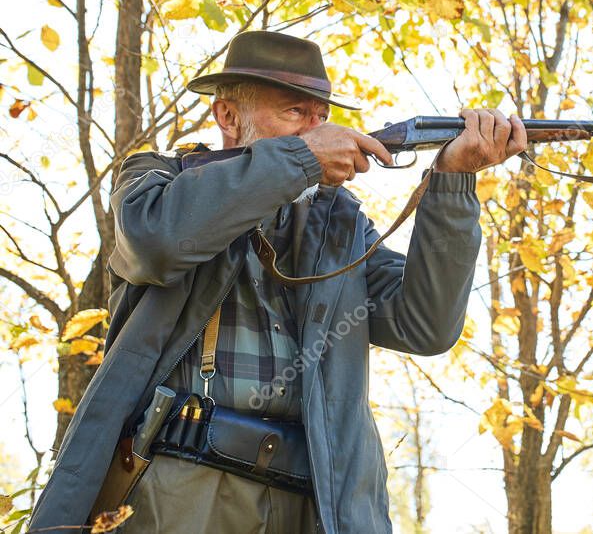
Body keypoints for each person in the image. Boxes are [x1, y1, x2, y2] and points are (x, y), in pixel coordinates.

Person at [29, 30, 526, 533]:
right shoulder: (158, 180)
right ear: (227, 116)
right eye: (294, 112)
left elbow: (426, 325)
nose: (316, 129)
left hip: (313, 502)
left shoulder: (339, 222)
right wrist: (302, 160)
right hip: (179, 491)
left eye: (321, 116)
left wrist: (453, 180)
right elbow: (158, 242)